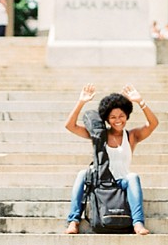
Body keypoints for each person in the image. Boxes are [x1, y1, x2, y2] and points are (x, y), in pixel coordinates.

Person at [64, 83, 158, 235]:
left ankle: (138, 224)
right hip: (101, 180)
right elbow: (70, 126)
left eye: (121, 116)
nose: (118, 120)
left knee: (133, 177)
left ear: (127, 116)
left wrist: (141, 102)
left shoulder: (132, 136)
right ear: (107, 119)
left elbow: (153, 124)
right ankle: (73, 221)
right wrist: (81, 102)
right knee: (82, 174)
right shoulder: (99, 135)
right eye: (113, 117)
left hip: (122, 182)